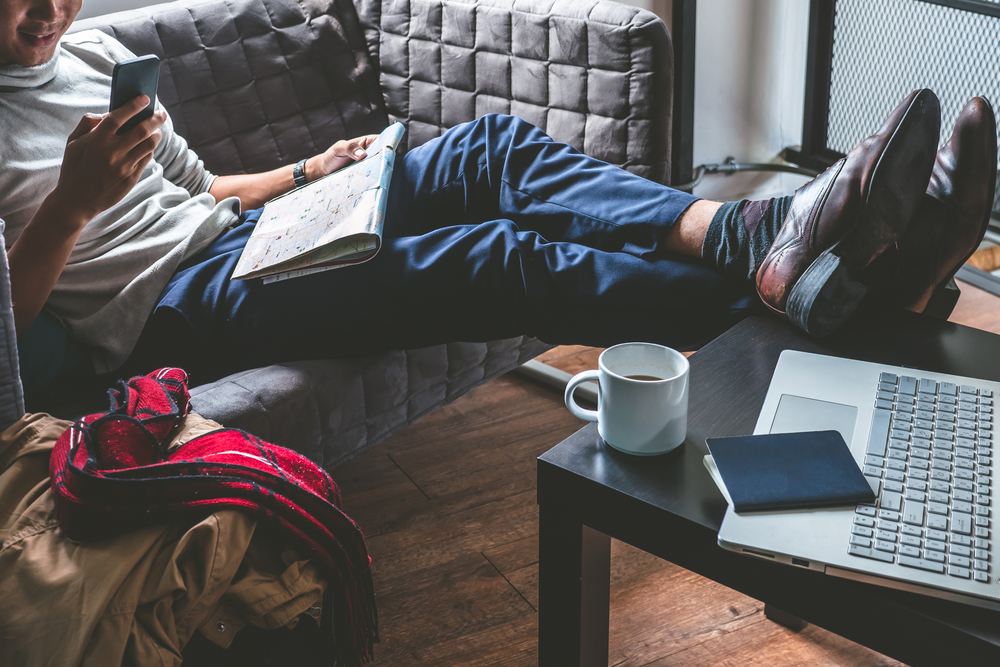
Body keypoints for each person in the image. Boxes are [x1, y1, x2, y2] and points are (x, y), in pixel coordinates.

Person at [3, 0, 996, 404]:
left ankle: (758, 232)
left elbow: (201, 188)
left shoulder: (91, 56)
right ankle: (833, 307)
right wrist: (72, 206)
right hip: (170, 320)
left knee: (488, 150)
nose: (48, 12)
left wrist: (313, 173)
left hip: (245, 234)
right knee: (495, 254)